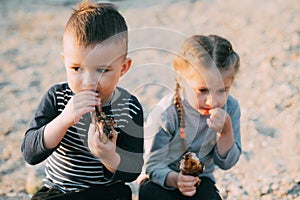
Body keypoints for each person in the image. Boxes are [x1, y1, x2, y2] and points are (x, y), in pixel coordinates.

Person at [21, 1, 144, 199]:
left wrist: (108, 156)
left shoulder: (129, 107)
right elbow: (30, 153)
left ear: (123, 68)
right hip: (60, 190)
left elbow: (133, 170)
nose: (88, 82)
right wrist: (63, 120)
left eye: (102, 70)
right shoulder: (57, 97)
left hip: (106, 191)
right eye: (77, 68)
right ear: (65, 61)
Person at [139, 35, 241, 200]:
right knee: (149, 192)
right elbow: (152, 166)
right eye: (202, 90)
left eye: (222, 90)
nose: (212, 101)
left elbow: (226, 164)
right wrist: (176, 180)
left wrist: (226, 131)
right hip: (164, 179)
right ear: (181, 79)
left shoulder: (231, 108)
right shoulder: (166, 113)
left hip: (200, 180)